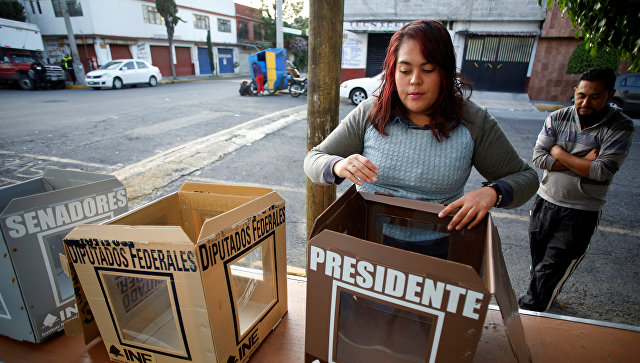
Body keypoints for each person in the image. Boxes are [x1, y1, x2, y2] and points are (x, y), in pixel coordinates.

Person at [304, 20, 538, 235]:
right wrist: (338, 164)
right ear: (393, 73)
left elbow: (527, 178)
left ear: (445, 72)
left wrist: (493, 193)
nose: (415, 79)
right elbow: (313, 160)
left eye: (427, 70)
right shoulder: (371, 112)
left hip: (437, 253)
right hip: (366, 247)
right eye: (405, 70)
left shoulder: (473, 120)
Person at [518, 68, 635, 312]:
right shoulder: (558, 118)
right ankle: (538, 300)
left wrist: (559, 152)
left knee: (553, 266)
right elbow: (539, 158)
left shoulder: (619, 126)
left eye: (595, 96)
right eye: (581, 95)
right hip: (546, 201)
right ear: (574, 91)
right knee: (538, 262)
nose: (585, 102)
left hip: (581, 211)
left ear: (610, 94)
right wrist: (583, 160)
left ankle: (532, 309)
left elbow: (602, 170)